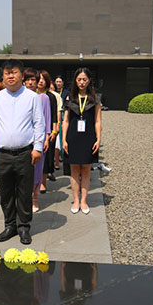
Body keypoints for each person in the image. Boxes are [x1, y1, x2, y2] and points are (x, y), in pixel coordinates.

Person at [0, 59, 45, 245]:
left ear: (21, 74)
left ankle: (24, 226)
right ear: (3, 76)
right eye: (7, 73)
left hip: (25, 153)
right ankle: (10, 225)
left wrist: (38, 147)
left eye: (14, 72)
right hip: (2, 154)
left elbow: (39, 124)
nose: (10, 76)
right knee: (6, 192)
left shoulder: (32, 97)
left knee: (24, 192)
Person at [62, 67, 102, 215]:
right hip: (73, 137)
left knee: (85, 170)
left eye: (84, 79)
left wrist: (98, 139)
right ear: (75, 81)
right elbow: (65, 121)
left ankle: (84, 200)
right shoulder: (70, 98)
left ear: (89, 80)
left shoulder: (95, 98)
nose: (81, 82)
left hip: (88, 137)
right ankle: (76, 200)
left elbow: (98, 121)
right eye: (79, 79)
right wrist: (64, 140)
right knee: (74, 170)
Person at [22, 68, 51, 212]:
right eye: (27, 79)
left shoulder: (43, 98)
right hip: (23, 140)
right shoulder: (20, 98)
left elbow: (46, 119)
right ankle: (24, 198)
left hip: (38, 139)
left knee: (37, 170)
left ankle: (35, 198)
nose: (30, 82)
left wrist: (46, 138)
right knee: (24, 170)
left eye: (33, 79)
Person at [38, 70, 60, 187]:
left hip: (49, 130)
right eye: (39, 79)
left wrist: (55, 131)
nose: (41, 81)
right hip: (35, 130)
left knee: (47, 157)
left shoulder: (51, 96)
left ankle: (43, 182)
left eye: (43, 79)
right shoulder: (32, 95)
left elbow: (54, 115)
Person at [54, 75, 69, 170]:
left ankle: (62, 154)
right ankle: (56, 156)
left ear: (63, 82)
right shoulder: (53, 92)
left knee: (62, 135)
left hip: (64, 114)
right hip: (55, 115)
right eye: (57, 81)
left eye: (60, 81)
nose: (58, 83)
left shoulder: (66, 93)